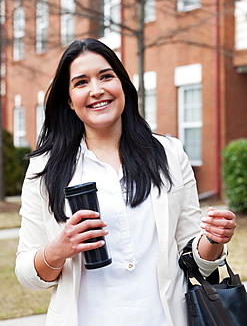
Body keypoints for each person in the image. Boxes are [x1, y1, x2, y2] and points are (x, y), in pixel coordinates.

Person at [15, 38, 236, 326]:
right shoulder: (44, 168)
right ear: (69, 100)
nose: (97, 90)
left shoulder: (168, 154)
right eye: (81, 83)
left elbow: (195, 259)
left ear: (123, 85)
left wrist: (213, 240)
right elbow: (27, 274)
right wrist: (59, 249)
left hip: (166, 318)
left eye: (106, 76)